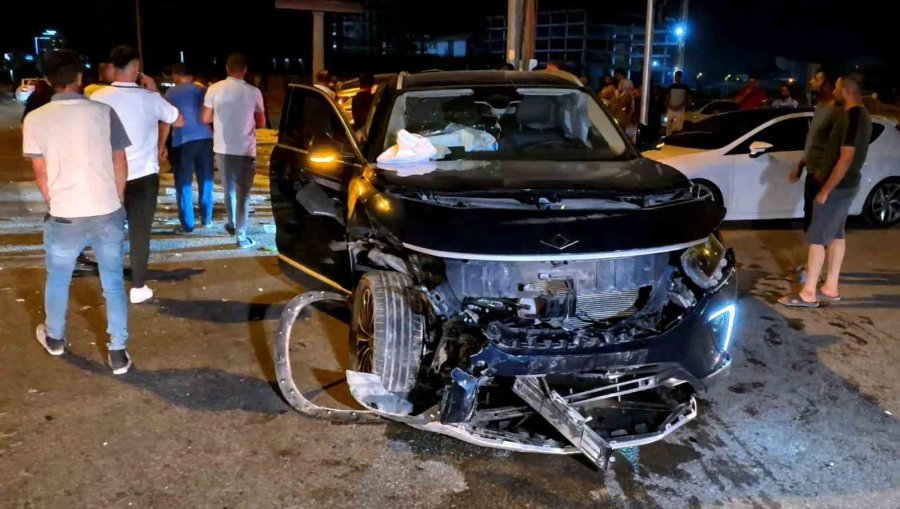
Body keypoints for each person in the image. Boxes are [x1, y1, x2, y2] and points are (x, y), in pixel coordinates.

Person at [22, 50, 133, 373]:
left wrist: (56, 202)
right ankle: (118, 352)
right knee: (113, 283)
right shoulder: (104, 112)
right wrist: (117, 199)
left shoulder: (35, 119)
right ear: (81, 77)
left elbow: (41, 173)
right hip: (106, 209)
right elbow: (120, 161)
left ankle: (55, 338)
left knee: (58, 279)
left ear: (47, 80)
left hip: (65, 215)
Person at [92, 46, 183, 304]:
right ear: (136, 69)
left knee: (108, 233)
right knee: (140, 233)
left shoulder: (97, 97)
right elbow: (179, 120)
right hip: (144, 176)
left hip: (108, 176)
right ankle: (138, 287)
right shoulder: (150, 98)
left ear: (113, 68)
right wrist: (154, 91)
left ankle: (110, 285)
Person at [779, 74, 872, 308]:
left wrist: (825, 190)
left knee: (817, 238)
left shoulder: (853, 116)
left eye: (838, 87)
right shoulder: (861, 115)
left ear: (846, 90)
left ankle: (808, 293)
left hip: (837, 185)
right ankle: (831, 286)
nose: (836, 91)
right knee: (837, 234)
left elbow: (846, 158)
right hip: (845, 184)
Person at [202, 53, 266, 249]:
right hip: (246, 149)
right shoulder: (254, 92)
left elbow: (205, 118)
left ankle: (231, 224)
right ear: (245, 69)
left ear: (227, 69)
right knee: (243, 193)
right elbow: (262, 122)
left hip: (222, 147)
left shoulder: (214, 89)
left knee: (228, 189)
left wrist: (222, 118)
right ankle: (241, 235)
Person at [165, 63, 214, 233]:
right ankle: (207, 219)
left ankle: (187, 224)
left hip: (183, 141)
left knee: (184, 182)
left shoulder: (171, 93)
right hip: (205, 139)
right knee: (206, 179)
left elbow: (166, 119)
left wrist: (161, 145)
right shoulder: (202, 90)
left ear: (176, 75)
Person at [665, 70, 692, 136]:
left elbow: (688, 98)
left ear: (680, 77)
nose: (675, 78)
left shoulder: (685, 88)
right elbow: (667, 98)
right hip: (671, 109)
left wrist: (681, 106)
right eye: (675, 76)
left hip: (680, 110)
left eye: (676, 76)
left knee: (679, 126)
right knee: (669, 125)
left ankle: (677, 137)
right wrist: (669, 106)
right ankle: (668, 137)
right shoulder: (670, 87)